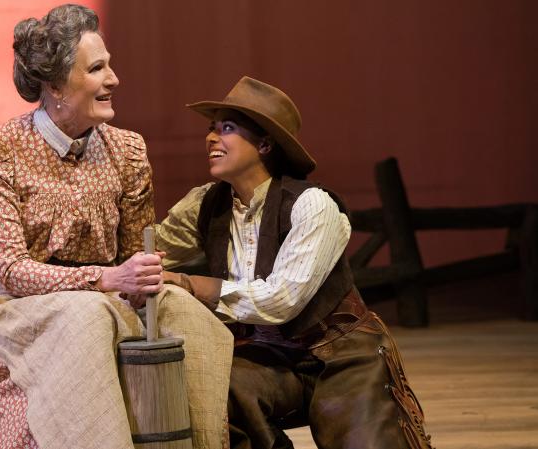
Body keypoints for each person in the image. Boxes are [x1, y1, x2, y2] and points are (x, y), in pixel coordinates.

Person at [0, 4, 232, 449]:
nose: (114, 80)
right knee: (86, 318)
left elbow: (133, 251)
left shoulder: (128, 150)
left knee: (185, 314)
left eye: (109, 65)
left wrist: (142, 275)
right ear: (55, 85)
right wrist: (106, 279)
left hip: (100, 293)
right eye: (97, 68)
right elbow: (12, 270)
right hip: (10, 296)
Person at [157, 76, 433, 449]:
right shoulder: (206, 204)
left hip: (339, 356)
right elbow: (151, 251)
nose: (211, 138)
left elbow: (283, 299)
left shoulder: (312, 205)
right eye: (210, 128)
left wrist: (193, 284)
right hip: (267, 359)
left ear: (265, 144)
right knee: (216, 395)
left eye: (227, 128)